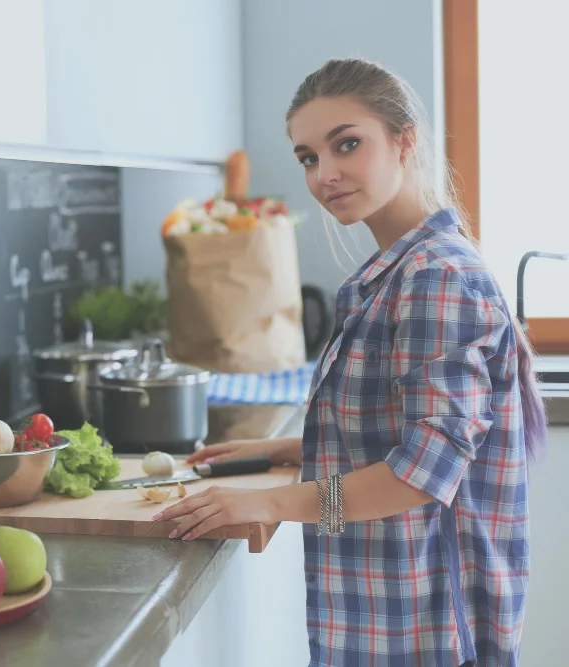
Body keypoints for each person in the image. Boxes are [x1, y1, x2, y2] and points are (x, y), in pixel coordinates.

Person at [154, 58, 546, 667]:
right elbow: (400, 428)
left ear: (404, 140)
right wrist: (289, 451)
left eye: (347, 145)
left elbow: (421, 475)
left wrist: (272, 502)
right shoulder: (399, 271)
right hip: (393, 621)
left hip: (432, 633)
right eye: (308, 157)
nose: (325, 174)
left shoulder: (436, 277)